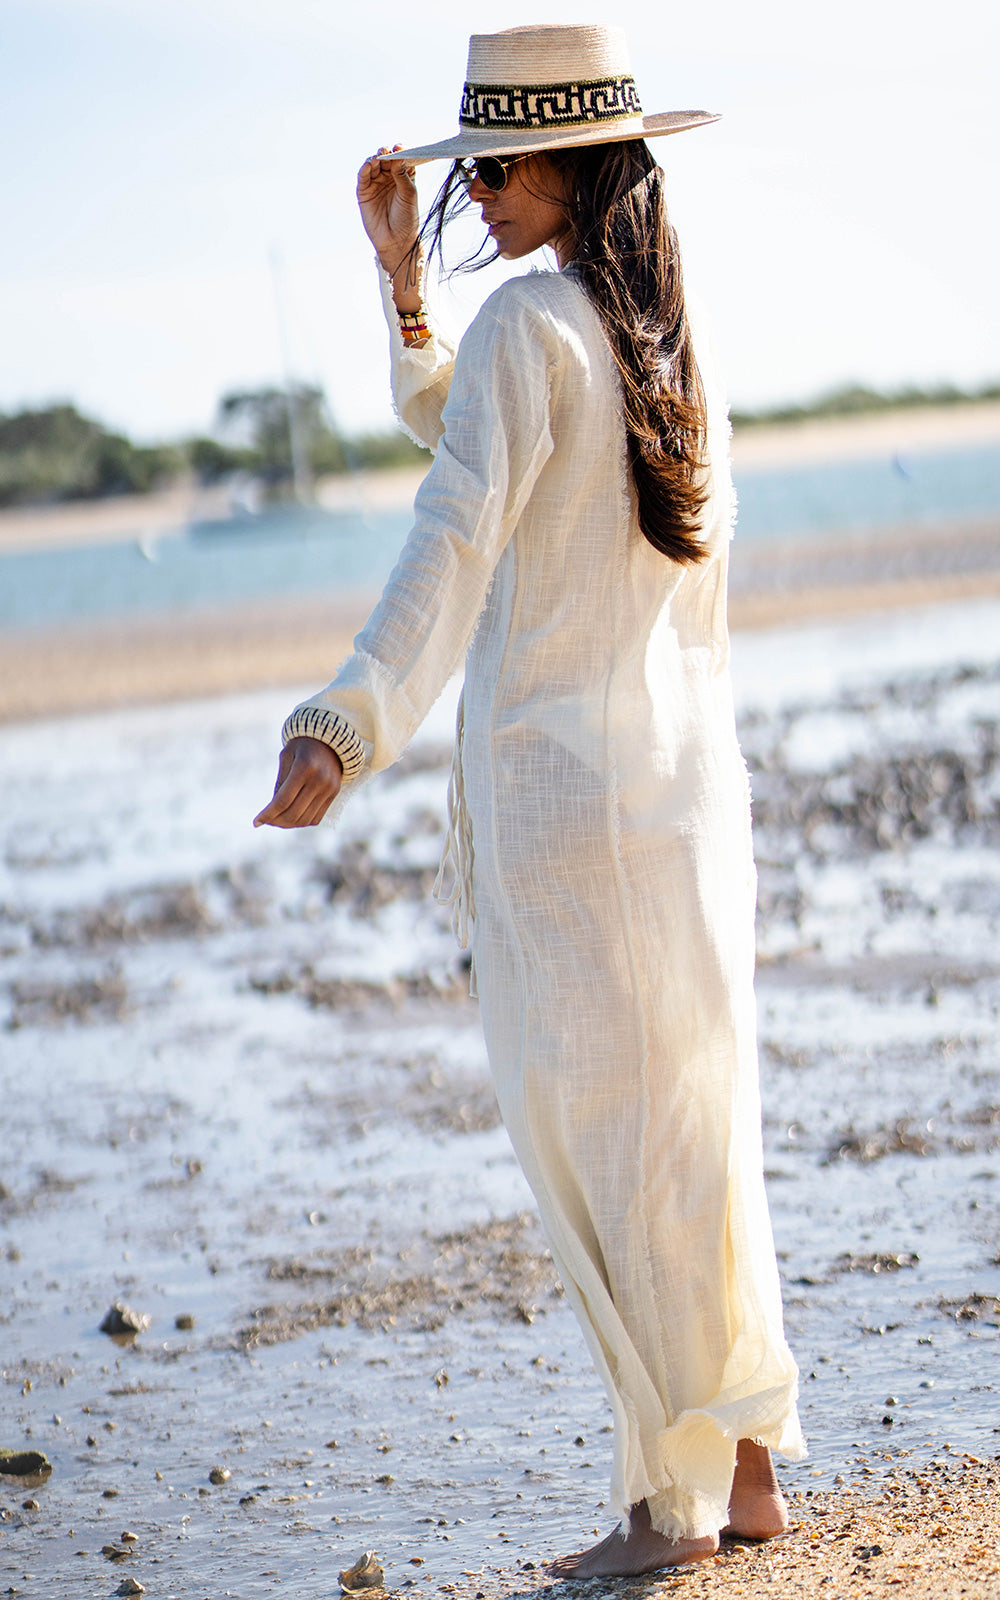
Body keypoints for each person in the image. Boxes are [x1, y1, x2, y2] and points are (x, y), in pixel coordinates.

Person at [254, 22, 805, 1577]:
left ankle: (661, 1514)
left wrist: (343, 723)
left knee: (604, 1157)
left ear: (577, 163)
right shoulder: (666, 333)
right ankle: (744, 1476)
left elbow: (455, 528)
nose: (478, 196)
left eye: (498, 169)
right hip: (688, 803)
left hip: (567, 815)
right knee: (697, 1135)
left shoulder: (528, 327)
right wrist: (403, 289)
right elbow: (484, 451)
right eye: (472, 173)